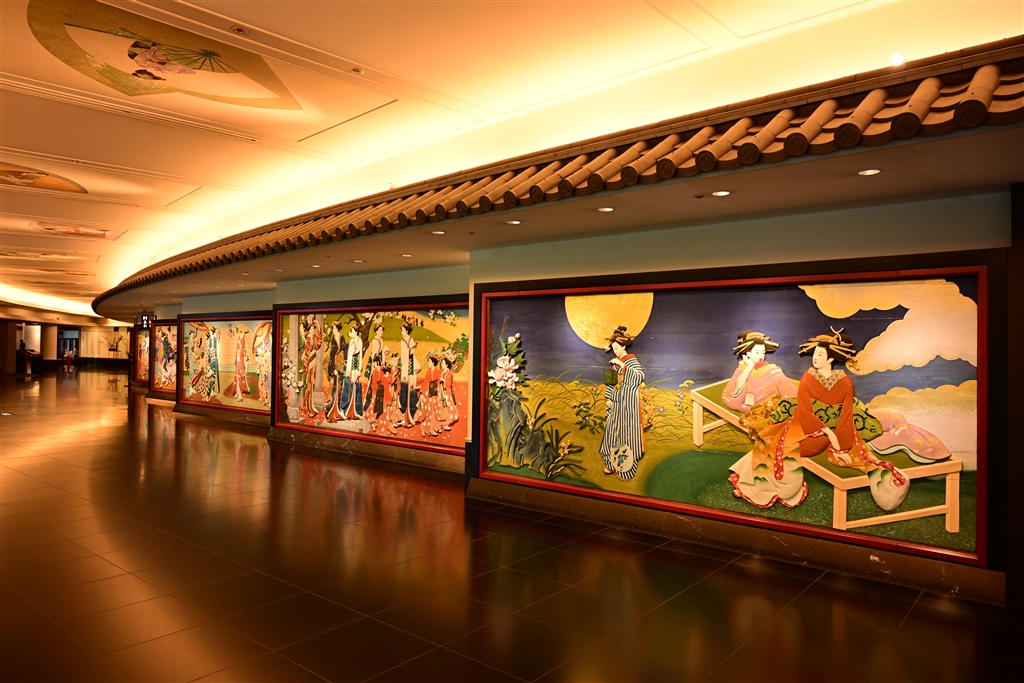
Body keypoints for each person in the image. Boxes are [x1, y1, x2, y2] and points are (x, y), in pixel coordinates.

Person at [730, 328, 909, 510]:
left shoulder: (845, 382)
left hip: (825, 436)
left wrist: (841, 446)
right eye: (815, 353)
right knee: (768, 440)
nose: (815, 357)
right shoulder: (808, 377)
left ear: (830, 359)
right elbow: (804, 410)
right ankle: (749, 486)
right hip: (804, 428)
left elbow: (846, 415)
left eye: (820, 354)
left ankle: (752, 486)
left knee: (774, 444)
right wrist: (828, 433)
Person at [599, 326, 646, 481]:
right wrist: (608, 399)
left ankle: (624, 468)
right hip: (616, 405)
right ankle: (611, 464)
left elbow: (639, 377)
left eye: (617, 348)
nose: (615, 351)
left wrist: (624, 366)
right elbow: (610, 383)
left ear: (624, 347)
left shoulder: (631, 361)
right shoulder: (615, 363)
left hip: (628, 407)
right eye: (613, 348)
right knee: (612, 433)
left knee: (625, 435)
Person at [722, 331, 796, 413]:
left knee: (780, 378)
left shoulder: (764, 365)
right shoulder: (742, 368)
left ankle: (796, 399)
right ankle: (795, 400)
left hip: (763, 393)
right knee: (778, 378)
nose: (760, 356)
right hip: (751, 399)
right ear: (748, 353)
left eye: (763, 353)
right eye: (757, 352)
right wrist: (750, 366)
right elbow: (735, 390)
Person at [298, 315, 323, 424]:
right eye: (312, 329)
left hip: (314, 365)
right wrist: (306, 366)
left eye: (314, 329)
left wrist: (319, 325)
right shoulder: (308, 339)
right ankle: (307, 408)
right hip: (309, 365)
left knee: (311, 386)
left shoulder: (314, 339)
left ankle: (311, 406)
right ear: (309, 330)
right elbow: (307, 352)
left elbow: (319, 344)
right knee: (308, 387)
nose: (313, 331)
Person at [396, 322, 419, 427]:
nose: (401, 332)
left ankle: (407, 415)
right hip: (408, 367)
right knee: (406, 390)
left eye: (402, 330)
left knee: (407, 390)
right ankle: (405, 415)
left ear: (406, 331)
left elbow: (409, 356)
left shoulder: (407, 340)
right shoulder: (407, 340)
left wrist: (407, 371)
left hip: (408, 368)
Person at [419, 351, 443, 437]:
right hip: (429, 393)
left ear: (433, 363)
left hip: (435, 392)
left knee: (434, 411)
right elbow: (426, 381)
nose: (428, 363)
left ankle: (433, 428)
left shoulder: (437, 370)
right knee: (428, 411)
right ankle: (425, 428)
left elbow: (438, 381)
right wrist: (420, 388)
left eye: (429, 362)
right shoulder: (429, 371)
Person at [439, 353, 459, 432]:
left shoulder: (450, 373)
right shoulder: (442, 372)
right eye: (441, 363)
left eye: (443, 363)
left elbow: (448, 385)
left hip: (447, 392)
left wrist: (443, 380)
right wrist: (442, 375)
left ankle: (446, 423)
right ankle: (442, 424)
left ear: (447, 365)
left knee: (447, 407)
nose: (442, 365)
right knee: (441, 408)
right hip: (441, 392)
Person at [232, 328, 250, 402]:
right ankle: (237, 392)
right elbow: (237, 350)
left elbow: (242, 351)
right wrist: (236, 359)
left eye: (243, 333)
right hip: (239, 360)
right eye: (242, 332)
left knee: (240, 376)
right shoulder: (239, 339)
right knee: (237, 376)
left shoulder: (242, 340)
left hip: (241, 360)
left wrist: (241, 360)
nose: (243, 334)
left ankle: (240, 394)